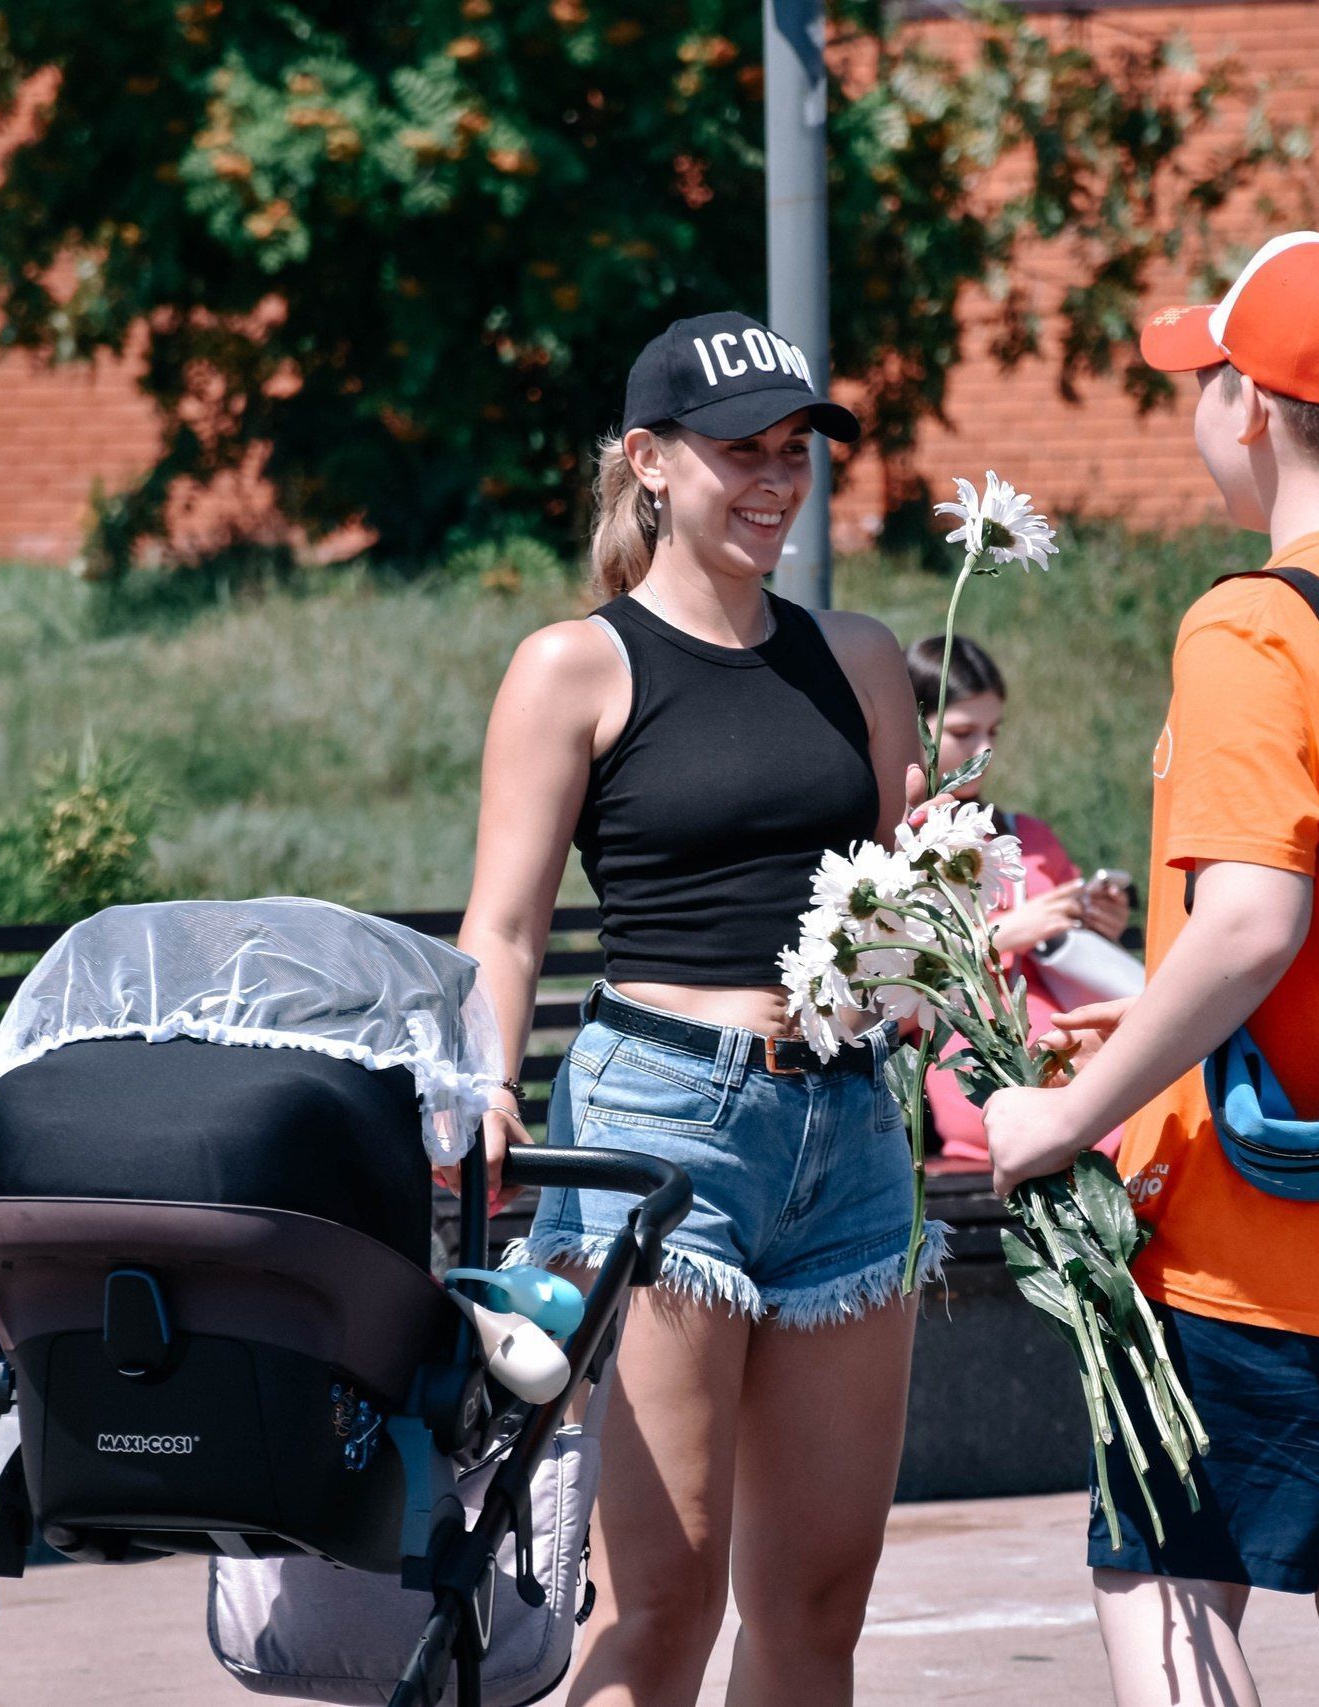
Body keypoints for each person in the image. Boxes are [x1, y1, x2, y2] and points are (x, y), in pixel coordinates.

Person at [983, 231, 1319, 1707]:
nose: (1197, 409)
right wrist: (1152, 1013)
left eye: (1203, 379)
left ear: (1255, 411)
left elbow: (1249, 923)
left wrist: (1065, 1111)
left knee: (1163, 1580)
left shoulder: (1254, 619)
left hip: (1269, 1231)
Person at [452, 310, 933, 1707]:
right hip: (660, 1127)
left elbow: (892, 918)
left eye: (795, 451)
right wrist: (483, 1086)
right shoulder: (575, 665)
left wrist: (933, 928)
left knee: (816, 1611)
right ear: (650, 462)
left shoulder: (860, 657)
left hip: (849, 1130)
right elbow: (506, 922)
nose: (776, 481)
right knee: (666, 1601)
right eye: (742, 452)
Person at [906, 633, 1132, 1163]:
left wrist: (1103, 923)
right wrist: (1004, 935)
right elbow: (890, 1002)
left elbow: (1075, 960)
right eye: (963, 732)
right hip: (987, 1083)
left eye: (994, 731)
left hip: (1081, 1061)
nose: (984, 752)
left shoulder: (1027, 835)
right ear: (913, 726)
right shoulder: (899, 846)